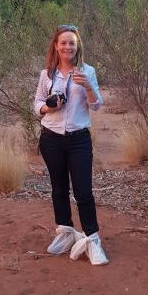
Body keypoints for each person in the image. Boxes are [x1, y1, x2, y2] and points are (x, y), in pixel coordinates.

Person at [34, 24, 109, 265]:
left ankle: (92, 239)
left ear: (78, 47)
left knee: (83, 191)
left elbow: (97, 105)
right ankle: (65, 232)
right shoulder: (47, 74)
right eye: (63, 42)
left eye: (72, 43)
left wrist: (87, 86)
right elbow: (37, 104)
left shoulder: (88, 71)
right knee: (58, 189)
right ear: (56, 46)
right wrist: (49, 106)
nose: (67, 46)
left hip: (79, 139)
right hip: (51, 138)